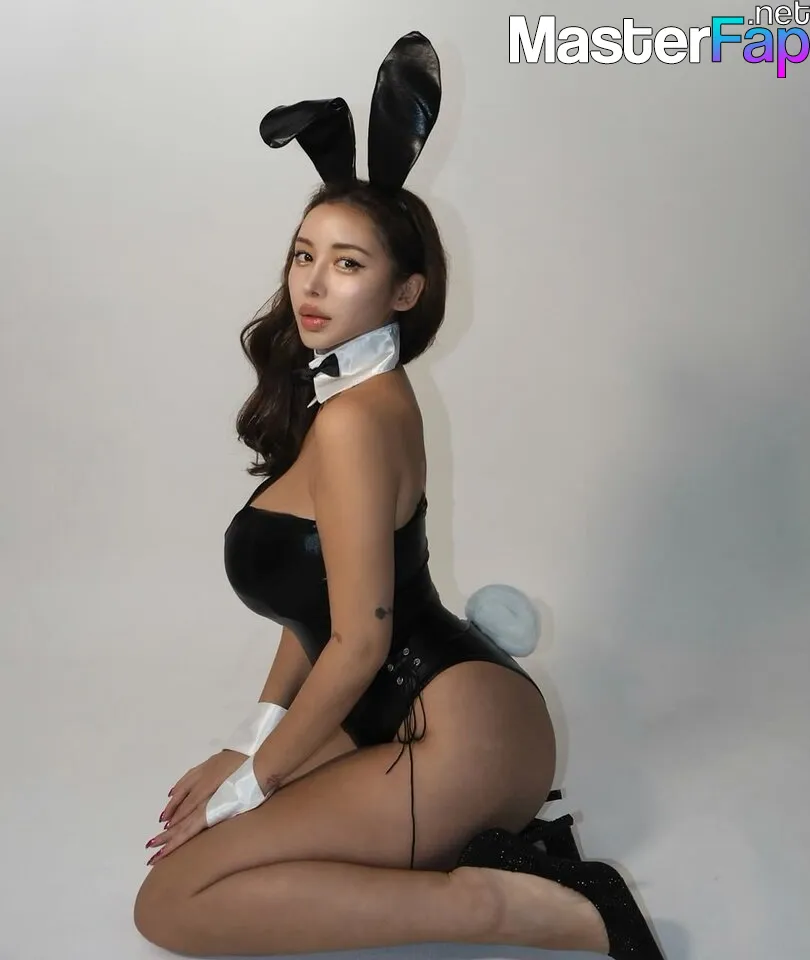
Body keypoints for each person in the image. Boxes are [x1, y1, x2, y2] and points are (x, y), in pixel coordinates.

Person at [133, 31, 666, 959]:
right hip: (416, 720)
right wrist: (253, 738)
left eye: (349, 264)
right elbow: (317, 603)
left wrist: (255, 779)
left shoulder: (355, 418)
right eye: (305, 255)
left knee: (170, 905)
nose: (312, 284)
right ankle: (497, 859)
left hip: (457, 739)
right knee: (192, 876)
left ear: (405, 290)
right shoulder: (351, 395)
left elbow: (361, 641)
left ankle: (533, 906)